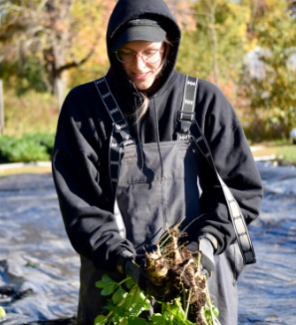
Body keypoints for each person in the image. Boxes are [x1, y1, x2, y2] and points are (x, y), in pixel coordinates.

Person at [51, 0, 263, 323]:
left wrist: (203, 247)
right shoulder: (83, 110)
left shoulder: (205, 101)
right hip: (117, 282)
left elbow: (241, 193)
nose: (139, 65)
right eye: (127, 53)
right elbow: (83, 208)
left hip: (199, 279)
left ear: (167, 46)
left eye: (149, 51)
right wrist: (126, 262)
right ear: (113, 50)